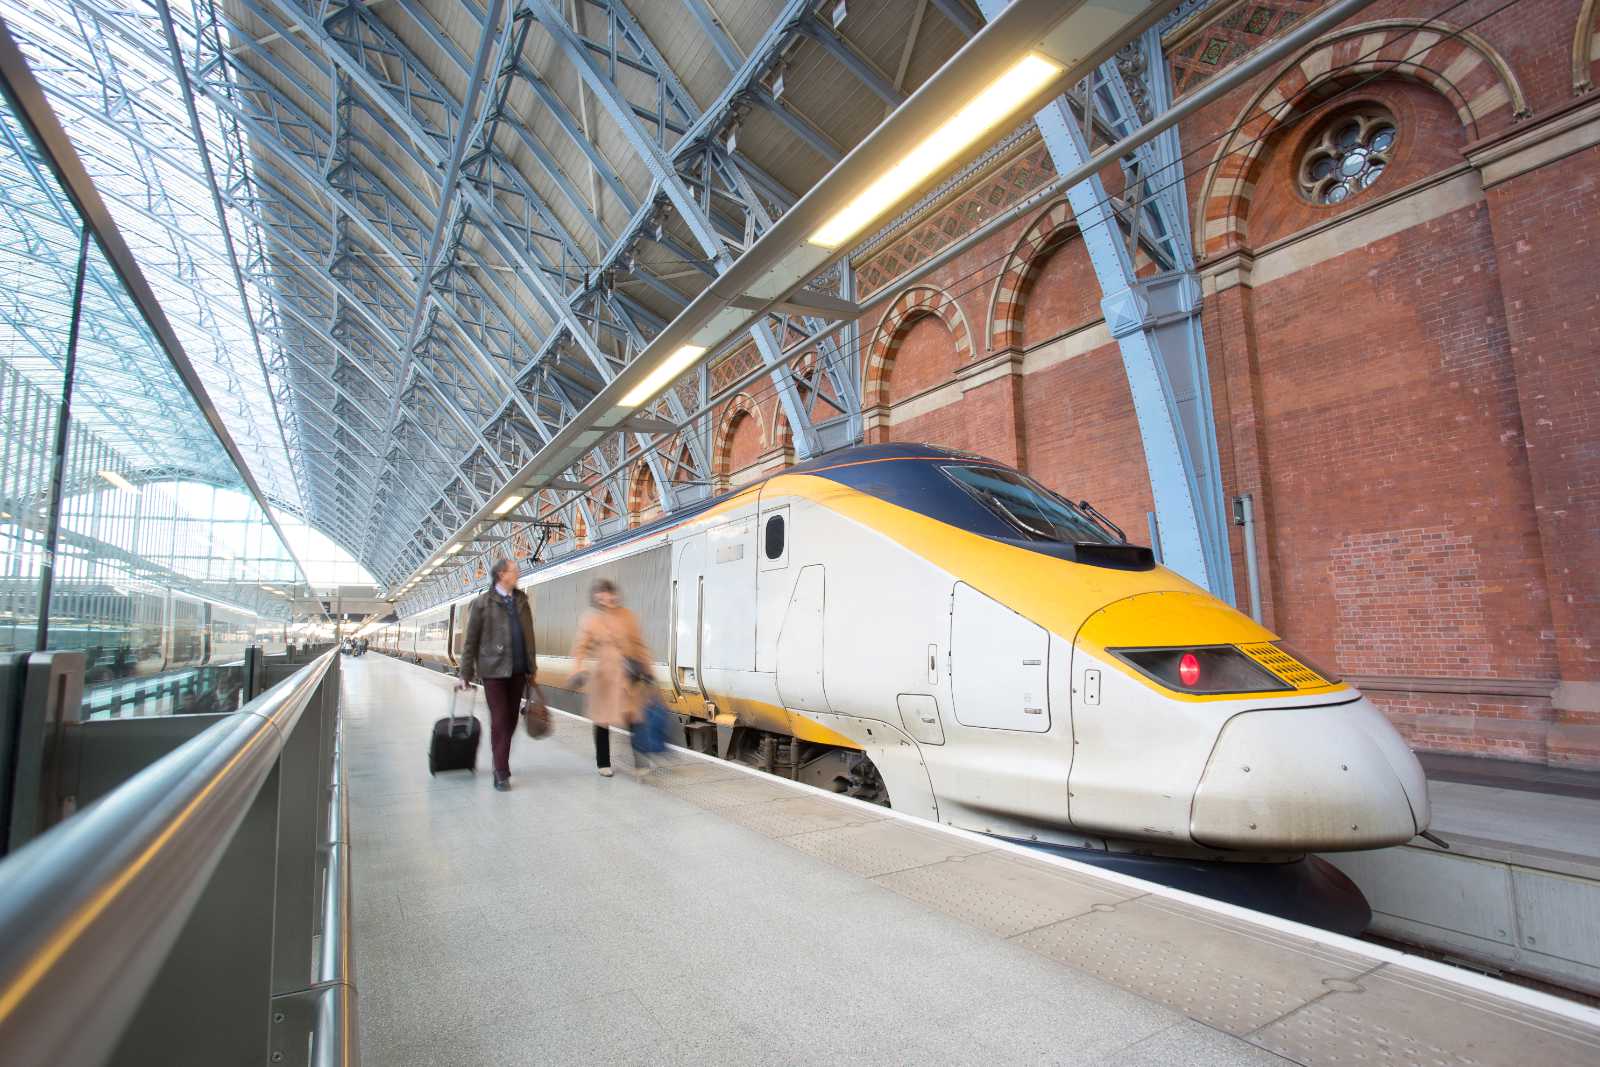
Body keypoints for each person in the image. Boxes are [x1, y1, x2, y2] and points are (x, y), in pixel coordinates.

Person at [456, 558, 537, 791]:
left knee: (510, 721)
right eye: (514, 570)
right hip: (494, 671)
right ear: (502, 574)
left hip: (519, 670)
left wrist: (532, 668)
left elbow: (528, 636)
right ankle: (500, 770)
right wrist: (465, 673)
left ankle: (500, 761)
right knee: (500, 719)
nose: (518, 573)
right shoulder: (482, 603)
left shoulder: (522, 602)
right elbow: (471, 640)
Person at [570, 578, 652, 777]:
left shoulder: (627, 616)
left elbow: (639, 645)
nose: (605, 597)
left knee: (635, 719)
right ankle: (603, 763)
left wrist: (648, 670)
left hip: (627, 678)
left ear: (614, 594)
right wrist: (577, 669)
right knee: (602, 721)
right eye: (600, 594)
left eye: (607, 592)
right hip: (604, 679)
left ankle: (640, 762)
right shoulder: (590, 620)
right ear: (596, 597)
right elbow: (580, 648)